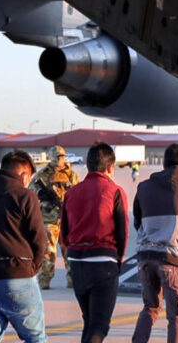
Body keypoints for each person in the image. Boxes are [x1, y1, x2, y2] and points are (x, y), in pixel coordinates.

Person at [0, 150, 49, 343]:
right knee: (35, 337)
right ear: (23, 174)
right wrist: (31, 268)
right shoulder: (25, 196)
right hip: (18, 276)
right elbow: (40, 239)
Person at [131, 143, 178, 343]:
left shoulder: (143, 187)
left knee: (150, 307)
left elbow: (138, 221)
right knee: (177, 316)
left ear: (163, 163)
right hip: (173, 258)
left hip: (145, 256)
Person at [62, 143, 130, 343]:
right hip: (102, 260)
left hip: (76, 260)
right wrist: (117, 260)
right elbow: (122, 232)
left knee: (89, 321)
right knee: (100, 326)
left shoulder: (71, 193)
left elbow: (64, 232)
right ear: (110, 167)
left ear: (88, 164)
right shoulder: (115, 191)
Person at [31, 146, 79, 289]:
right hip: (49, 218)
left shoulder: (71, 175)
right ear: (51, 157)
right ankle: (44, 280)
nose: (60, 159)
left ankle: (73, 279)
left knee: (69, 251)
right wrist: (43, 198)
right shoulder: (42, 176)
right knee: (48, 253)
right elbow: (32, 191)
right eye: (57, 157)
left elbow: (78, 193)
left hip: (67, 219)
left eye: (62, 157)